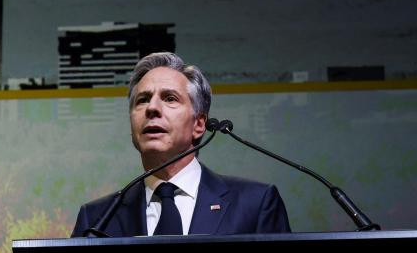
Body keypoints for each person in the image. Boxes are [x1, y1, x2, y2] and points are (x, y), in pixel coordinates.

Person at [71, 52, 291, 237]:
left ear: (199, 124)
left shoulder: (255, 204)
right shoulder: (97, 219)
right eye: (142, 100)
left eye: (170, 98)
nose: (152, 108)